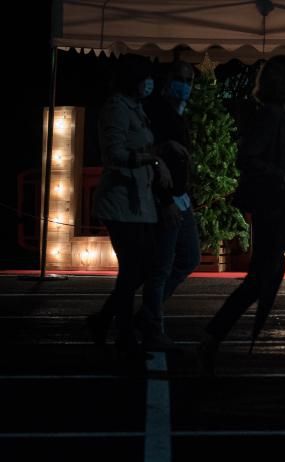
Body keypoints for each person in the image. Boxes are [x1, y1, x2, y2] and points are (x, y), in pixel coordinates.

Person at [196, 55, 285, 381]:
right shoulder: (273, 116)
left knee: (277, 279)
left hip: (281, 210)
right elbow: (248, 157)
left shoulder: (280, 115)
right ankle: (212, 340)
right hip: (276, 210)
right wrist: (283, 177)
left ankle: (212, 341)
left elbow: (271, 154)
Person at [86, 54, 172, 360]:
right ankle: (121, 333)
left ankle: (104, 321)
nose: (150, 83)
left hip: (138, 202)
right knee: (134, 270)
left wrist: (156, 157)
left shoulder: (135, 108)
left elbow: (142, 145)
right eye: (145, 77)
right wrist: (152, 159)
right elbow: (115, 154)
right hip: (121, 202)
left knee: (139, 269)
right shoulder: (116, 109)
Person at [137, 60, 201, 350]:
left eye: (188, 79)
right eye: (180, 78)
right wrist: (165, 201)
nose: (185, 85)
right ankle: (150, 326)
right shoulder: (159, 112)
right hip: (167, 198)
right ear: (167, 81)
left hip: (180, 197)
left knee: (188, 258)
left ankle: (143, 317)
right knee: (161, 266)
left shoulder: (177, 112)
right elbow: (151, 158)